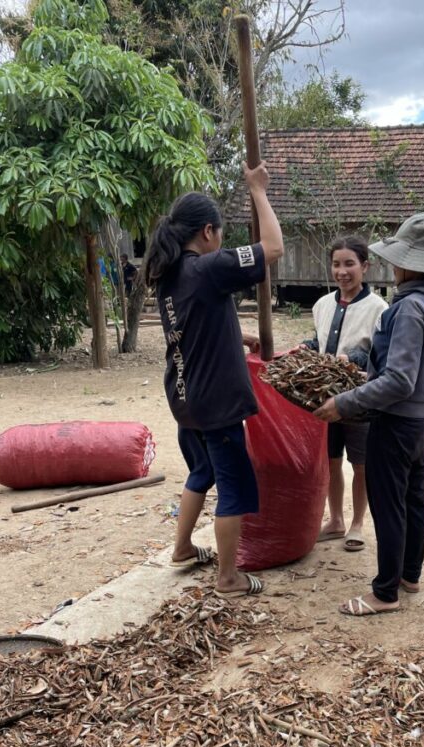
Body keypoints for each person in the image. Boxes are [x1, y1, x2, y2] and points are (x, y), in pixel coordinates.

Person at [315, 211, 424, 616]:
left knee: (388, 505)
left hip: (397, 422)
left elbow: (400, 381)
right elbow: (409, 371)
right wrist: (367, 374)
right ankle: (409, 574)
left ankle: (385, 592)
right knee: (413, 497)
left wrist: (345, 402)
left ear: (410, 263)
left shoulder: (408, 308)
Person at [145, 162, 283, 596]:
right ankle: (228, 577)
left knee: (201, 471)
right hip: (215, 402)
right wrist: (258, 191)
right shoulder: (208, 268)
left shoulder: (169, 273)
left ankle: (183, 547)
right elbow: (273, 248)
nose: (220, 240)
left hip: (185, 398)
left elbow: (195, 324)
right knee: (235, 484)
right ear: (207, 231)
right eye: (219, 232)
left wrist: (239, 337)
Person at [302, 236, 387, 552]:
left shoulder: (379, 308)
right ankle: (336, 520)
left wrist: (352, 359)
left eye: (350, 264)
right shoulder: (322, 305)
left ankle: (357, 524)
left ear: (365, 266)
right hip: (324, 397)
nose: (342, 271)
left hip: (360, 399)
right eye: (336, 264)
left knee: (362, 463)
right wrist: (306, 348)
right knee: (330, 460)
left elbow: (380, 357)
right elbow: (320, 342)